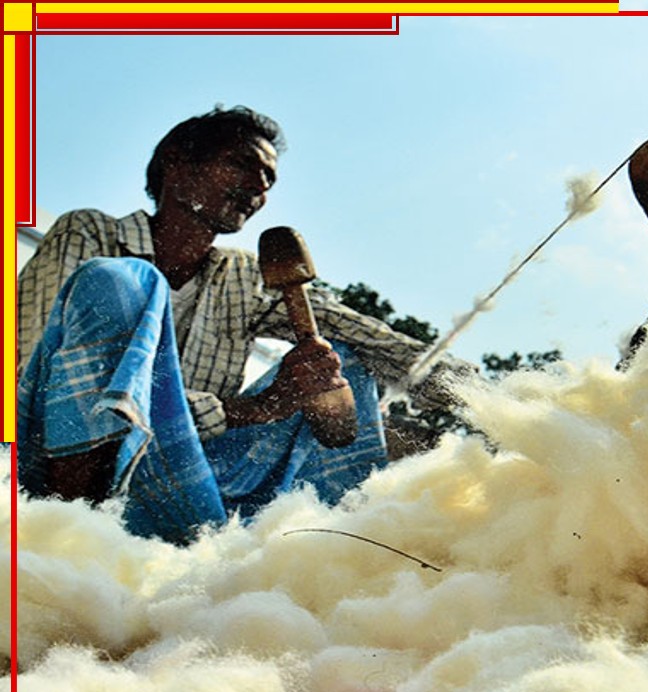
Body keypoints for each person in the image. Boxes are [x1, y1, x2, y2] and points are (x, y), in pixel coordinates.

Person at [17, 105, 460, 545]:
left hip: (179, 488)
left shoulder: (242, 276)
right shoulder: (90, 232)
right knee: (120, 281)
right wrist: (256, 407)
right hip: (46, 475)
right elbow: (39, 380)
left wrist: (472, 393)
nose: (258, 187)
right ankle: (69, 539)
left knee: (341, 356)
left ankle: (334, 548)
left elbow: (365, 333)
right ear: (177, 161)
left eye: (268, 180)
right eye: (242, 164)